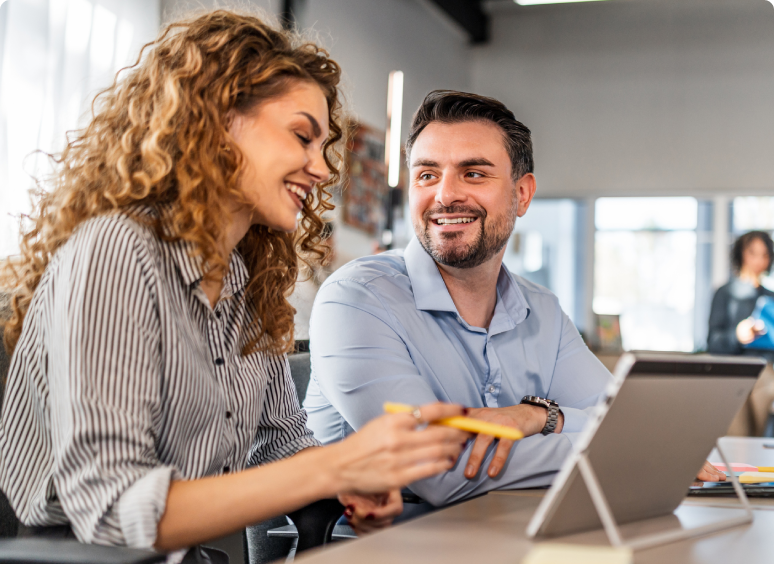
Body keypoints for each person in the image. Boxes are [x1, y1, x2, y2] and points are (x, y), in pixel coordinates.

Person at [0, 12, 469, 562]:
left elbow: (280, 442)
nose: (321, 169)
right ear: (217, 121)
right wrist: (337, 464)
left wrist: (350, 481)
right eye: (302, 137)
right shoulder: (115, 251)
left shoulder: (247, 281)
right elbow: (111, 513)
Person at [304, 90, 727, 509]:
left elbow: (629, 425)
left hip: (514, 534)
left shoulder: (541, 309)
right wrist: (633, 457)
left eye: (473, 173)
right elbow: (439, 471)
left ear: (522, 194)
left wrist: (540, 417)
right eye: (427, 175)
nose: (445, 195)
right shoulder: (356, 300)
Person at [708, 230, 774, 360]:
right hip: (736, 369)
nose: (759, 260)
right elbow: (713, 343)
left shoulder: (770, 296)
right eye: (753, 253)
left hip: (769, 370)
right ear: (741, 253)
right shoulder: (725, 293)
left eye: (764, 255)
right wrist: (737, 336)